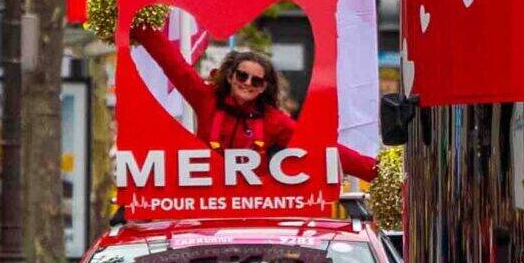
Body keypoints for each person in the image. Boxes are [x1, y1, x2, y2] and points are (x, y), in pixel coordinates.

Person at [129, 29, 380, 181]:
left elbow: (320, 146)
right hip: (203, 208)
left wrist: (376, 173)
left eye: (256, 80)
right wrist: (141, 26)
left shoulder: (274, 120)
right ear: (229, 76)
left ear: (264, 87)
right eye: (242, 75)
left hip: (253, 212)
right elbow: (175, 67)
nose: (247, 83)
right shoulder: (206, 99)